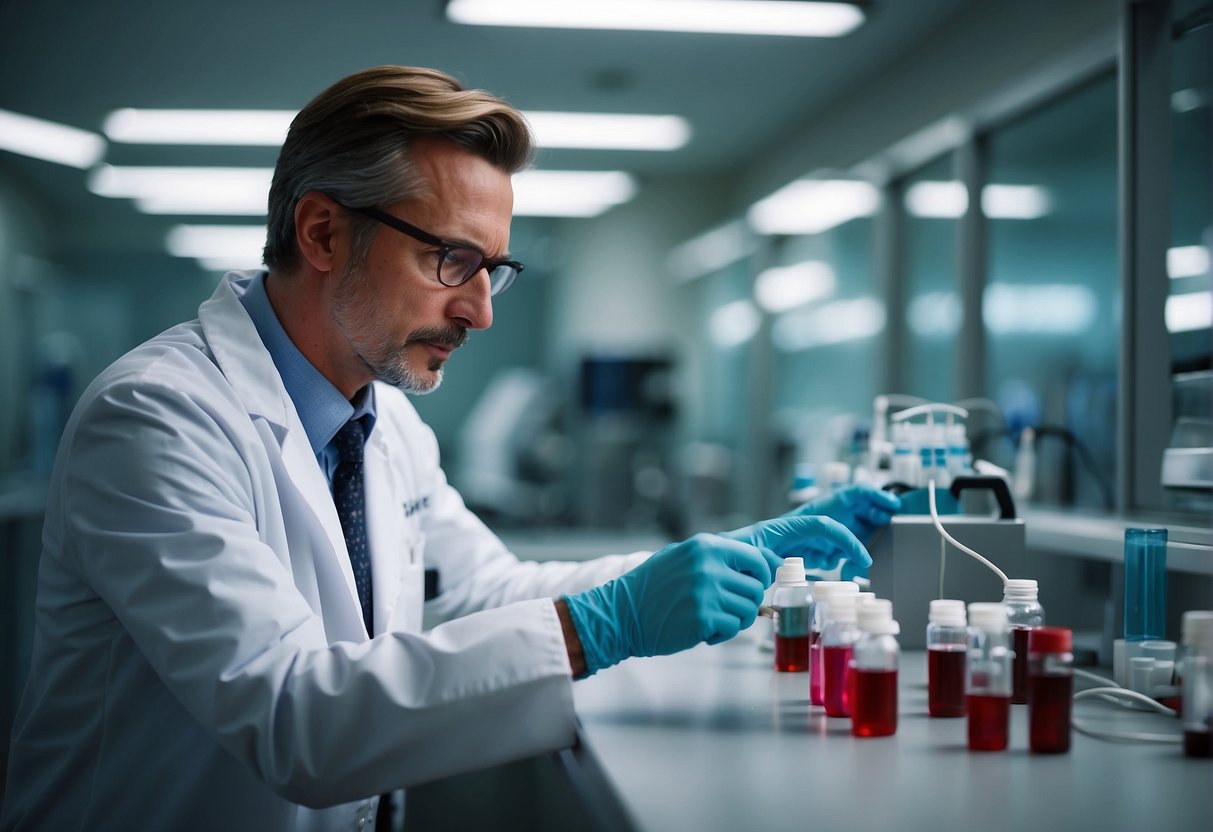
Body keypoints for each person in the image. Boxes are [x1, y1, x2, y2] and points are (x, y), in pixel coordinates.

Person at [0, 66, 900, 831]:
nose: (481, 309)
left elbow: (478, 591)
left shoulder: (382, 420)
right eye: (451, 261)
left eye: (493, 268)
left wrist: (707, 565)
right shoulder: (156, 418)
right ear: (321, 233)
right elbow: (292, 715)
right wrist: (606, 624)